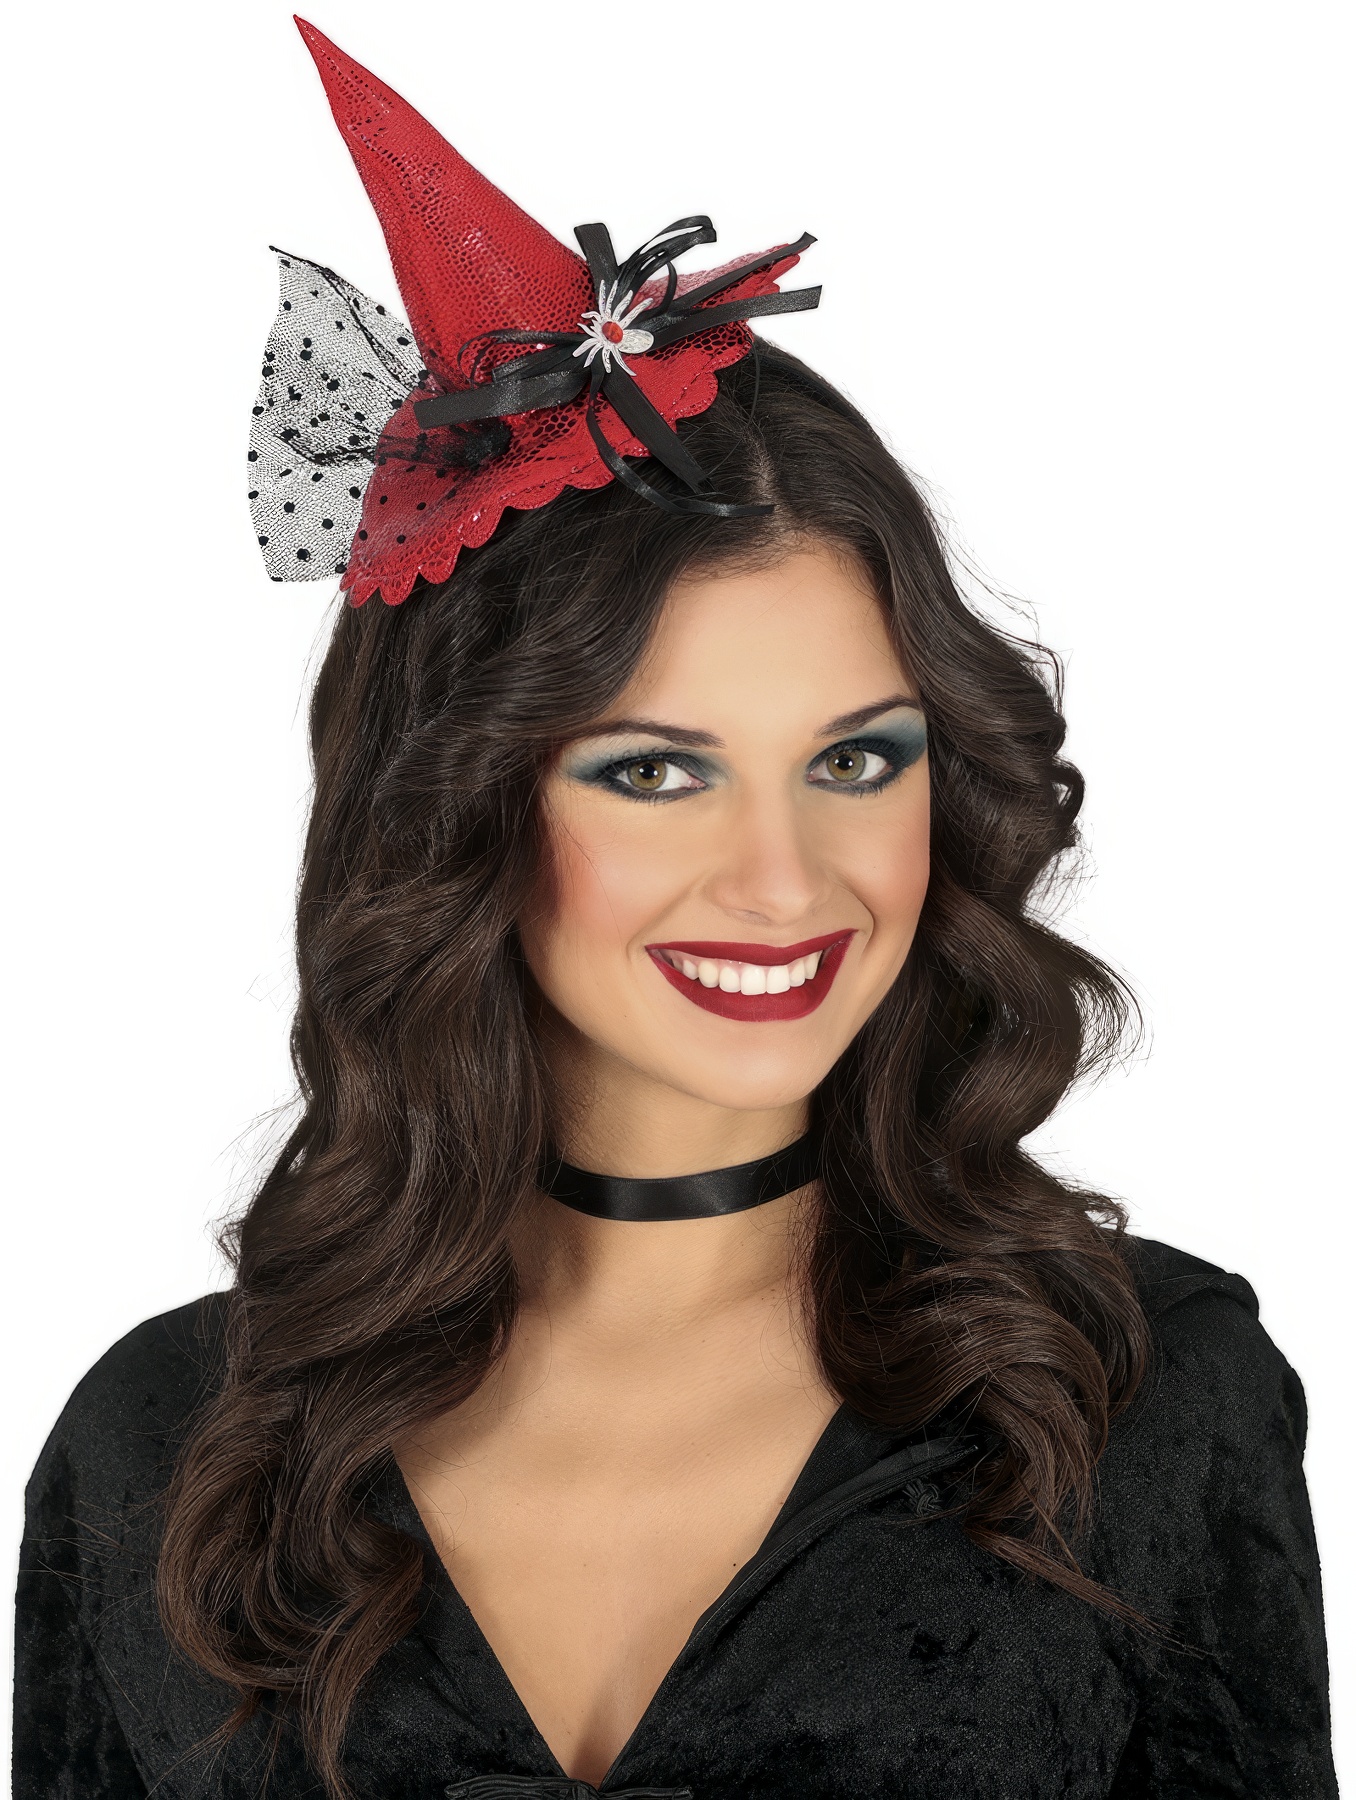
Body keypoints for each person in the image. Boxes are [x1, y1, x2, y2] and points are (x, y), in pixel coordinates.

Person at [13, 20, 1336, 1800]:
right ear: (461, 809)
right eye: (655, 772)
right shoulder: (168, 1449)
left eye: (856, 760)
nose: (787, 881)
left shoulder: (1142, 1398)